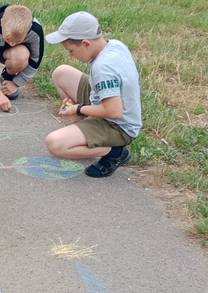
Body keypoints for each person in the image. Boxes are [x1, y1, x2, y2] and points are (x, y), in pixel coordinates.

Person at [44, 11, 142, 178]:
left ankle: (115, 152)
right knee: (61, 73)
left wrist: (79, 109)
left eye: (71, 51)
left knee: (55, 144)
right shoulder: (114, 45)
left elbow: (114, 112)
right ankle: (85, 131)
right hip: (104, 102)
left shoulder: (103, 68)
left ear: (86, 43)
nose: (71, 56)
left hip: (118, 126)